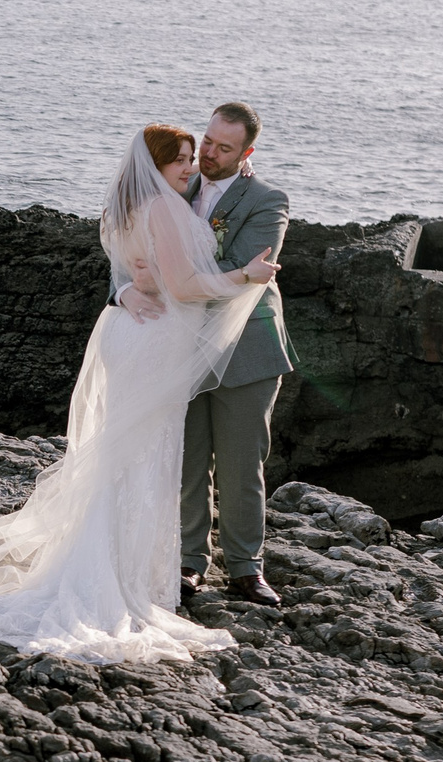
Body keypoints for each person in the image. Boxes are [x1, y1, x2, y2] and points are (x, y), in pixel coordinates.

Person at [0, 124, 278, 664]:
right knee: (141, 457)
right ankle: (126, 578)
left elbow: (151, 258)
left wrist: (141, 282)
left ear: (244, 155)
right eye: (190, 153)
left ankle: (204, 569)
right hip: (153, 336)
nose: (198, 161)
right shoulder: (166, 198)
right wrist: (240, 276)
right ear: (162, 162)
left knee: (148, 455)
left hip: (159, 339)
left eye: (211, 152)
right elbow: (167, 278)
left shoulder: (161, 194)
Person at [179, 101, 292, 606]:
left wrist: (172, 270)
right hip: (178, 344)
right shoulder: (172, 185)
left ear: (246, 152)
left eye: (224, 148)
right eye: (207, 141)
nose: (209, 154)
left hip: (247, 345)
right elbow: (134, 246)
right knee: (187, 459)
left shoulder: (267, 199)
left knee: (243, 463)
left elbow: (243, 267)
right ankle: (188, 561)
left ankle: (247, 570)